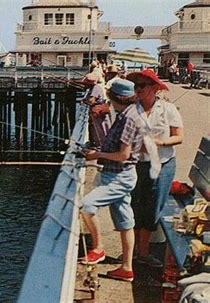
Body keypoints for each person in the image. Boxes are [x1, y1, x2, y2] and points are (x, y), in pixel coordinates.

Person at [79, 79, 146, 282]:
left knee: (86, 206)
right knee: (126, 223)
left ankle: (98, 248)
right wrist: (99, 151)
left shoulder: (128, 119)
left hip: (119, 176)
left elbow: (123, 154)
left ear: (114, 97)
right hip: (122, 174)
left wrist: (95, 156)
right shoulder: (130, 113)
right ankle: (126, 269)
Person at [127, 69, 184, 268]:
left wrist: (160, 142)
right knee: (134, 207)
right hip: (137, 164)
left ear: (154, 88)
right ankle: (132, 252)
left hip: (162, 164)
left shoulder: (167, 109)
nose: (138, 89)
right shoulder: (132, 109)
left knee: (152, 209)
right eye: (136, 86)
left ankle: (143, 253)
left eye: (142, 85)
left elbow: (179, 137)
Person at [82, 72, 111, 147]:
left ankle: (101, 144)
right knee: (100, 127)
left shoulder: (95, 88)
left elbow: (91, 101)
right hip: (99, 110)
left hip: (98, 110)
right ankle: (100, 143)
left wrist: (84, 101)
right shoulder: (95, 87)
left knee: (100, 128)